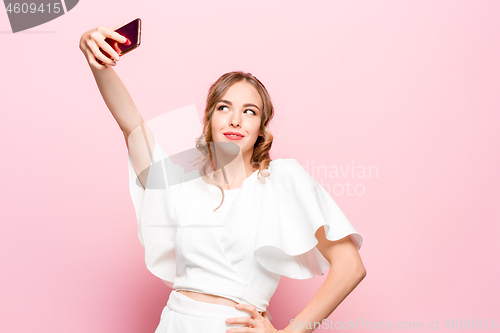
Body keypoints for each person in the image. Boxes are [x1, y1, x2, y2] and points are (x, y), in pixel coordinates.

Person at [79, 24, 366, 333]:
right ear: (210, 119)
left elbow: (350, 267)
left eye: (249, 111)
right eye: (224, 107)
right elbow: (131, 126)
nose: (235, 120)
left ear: (261, 128)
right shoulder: (182, 182)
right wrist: (97, 60)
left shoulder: (282, 180)